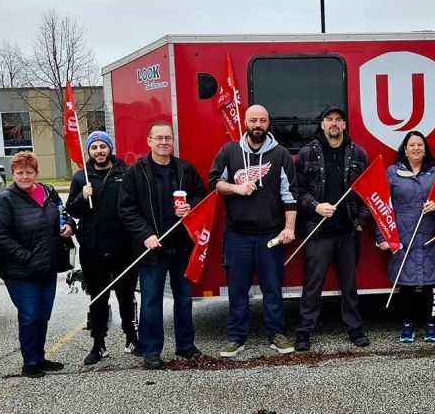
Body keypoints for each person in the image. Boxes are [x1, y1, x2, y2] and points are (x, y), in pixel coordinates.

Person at [208, 104, 299, 358]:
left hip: (270, 235)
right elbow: (214, 182)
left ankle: (277, 334)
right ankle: (236, 338)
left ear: (268, 123)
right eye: (253, 120)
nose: (258, 125)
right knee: (237, 289)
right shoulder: (229, 151)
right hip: (237, 235)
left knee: (273, 288)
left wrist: (289, 227)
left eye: (262, 120)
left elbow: (290, 194)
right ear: (245, 123)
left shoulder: (280, 154)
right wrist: (236, 189)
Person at [119, 121, 208, 370]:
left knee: (184, 298)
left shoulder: (184, 169)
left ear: (173, 141)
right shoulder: (135, 172)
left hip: (181, 247)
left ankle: (185, 345)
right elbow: (126, 209)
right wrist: (145, 234)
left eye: (168, 138)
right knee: (151, 301)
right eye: (158, 138)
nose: (164, 142)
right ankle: (151, 350)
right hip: (152, 248)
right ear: (149, 141)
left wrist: (190, 205)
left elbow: (202, 194)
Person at [0, 151, 76, 378]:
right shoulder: (5, 200)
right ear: (12, 174)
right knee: (29, 315)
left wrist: (69, 225)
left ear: (36, 173)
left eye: (29, 172)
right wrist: (26, 256)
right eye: (20, 172)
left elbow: (63, 213)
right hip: (20, 270)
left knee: (43, 314)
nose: (25, 177)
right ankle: (29, 362)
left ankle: (40, 356)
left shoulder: (48, 191)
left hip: (47, 267)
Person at [293, 107, 371, 351]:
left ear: (344, 125)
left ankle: (354, 328)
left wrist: (360, 221)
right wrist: (315, 207)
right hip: (317, 231)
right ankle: (304, 331)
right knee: (313, 284)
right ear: (323, 125)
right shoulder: (306, 153)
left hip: (347, 231)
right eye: (329, 120)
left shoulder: (358, 153)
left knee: (350, 283)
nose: (334, 124)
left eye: (338, 119)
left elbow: (368, 193)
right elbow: (298, 190)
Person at [376, 131, 435, 343]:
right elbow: (381, 206)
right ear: (404, 149)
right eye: (411, 145)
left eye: (420, 145)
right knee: (405, 283)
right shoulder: (392, 173)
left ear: (425, 150)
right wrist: (382, 237)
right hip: (402, 236)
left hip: (430, 236)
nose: (416, 148)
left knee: (431, 283)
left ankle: (431, 325)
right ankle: (407, 325)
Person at [66, 131, 139, 365]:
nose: (99, 151)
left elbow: (136, 205)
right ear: (89, 151)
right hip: (93, 249)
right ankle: (99, 343)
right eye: (94, 147)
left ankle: (131, 338)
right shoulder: (81, 178)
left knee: (126, 296)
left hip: (123, 247)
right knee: (98, 297)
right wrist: (81, 197)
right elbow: (72, 211)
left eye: (103, 146)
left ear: (110, 148)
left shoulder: (125, 173)